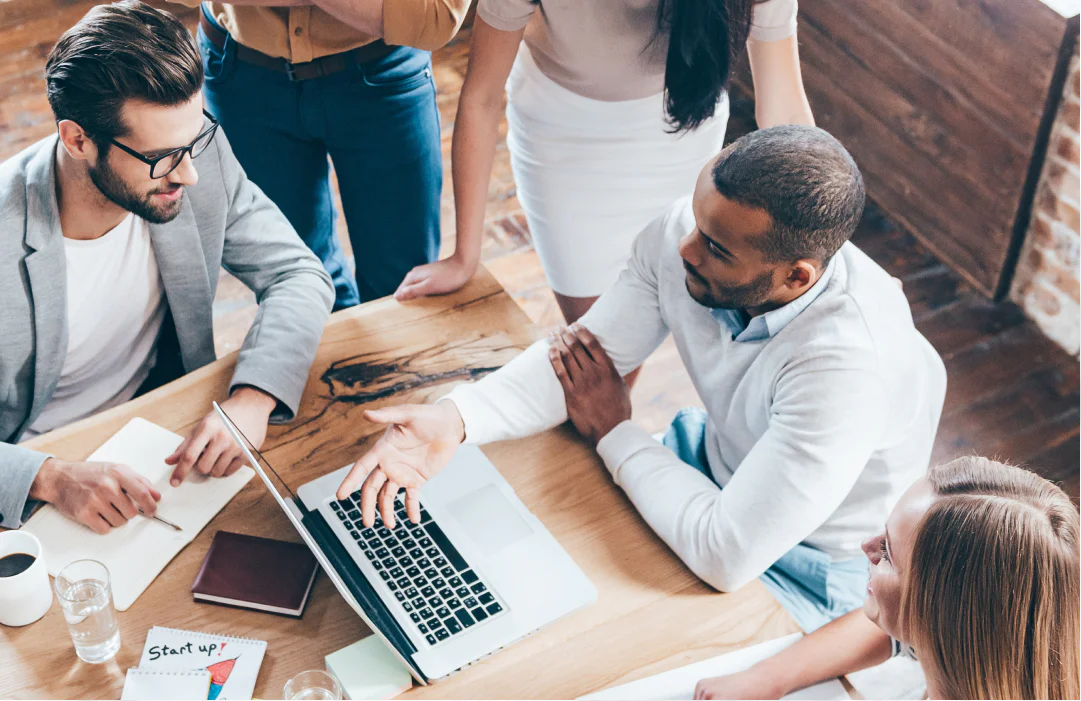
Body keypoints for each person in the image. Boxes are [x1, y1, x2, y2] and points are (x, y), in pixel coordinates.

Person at [336, 125, 947, 632]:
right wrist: (454, 419)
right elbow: (584, 361)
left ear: (796, 278)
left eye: (715, 247)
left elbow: (726, 554)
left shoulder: (847, 369)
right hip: (709, 471)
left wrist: (614, 432)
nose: (684, 246)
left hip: (813, 566)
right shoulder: (696, 232)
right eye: (696, 219)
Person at [0, 1, 334, 534]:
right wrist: (50, 477)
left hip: (164, 430)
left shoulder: (189, 150)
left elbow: (297, 272)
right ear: (78, 139)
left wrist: (252, 398)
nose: (191, 176)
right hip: (40, 474)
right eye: (161, 158)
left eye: (194, 139)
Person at [394, 0, 814, 328]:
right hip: (562, 139)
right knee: (597, 337)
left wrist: (818, 241)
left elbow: (785, 113)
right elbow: (481, 99)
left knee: (653, 308)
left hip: (683, 135)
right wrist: (464, 256)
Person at [693, 457, 1081, 701]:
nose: (867, 546)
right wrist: (767, 678)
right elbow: (886, 633)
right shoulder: (1016, 630)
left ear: (938, 619)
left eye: (888, 553)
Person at [166, 0, 470, 309]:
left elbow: (434, 17)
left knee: (401, 289)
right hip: (241, 74)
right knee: (301, 288)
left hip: (385, 71)